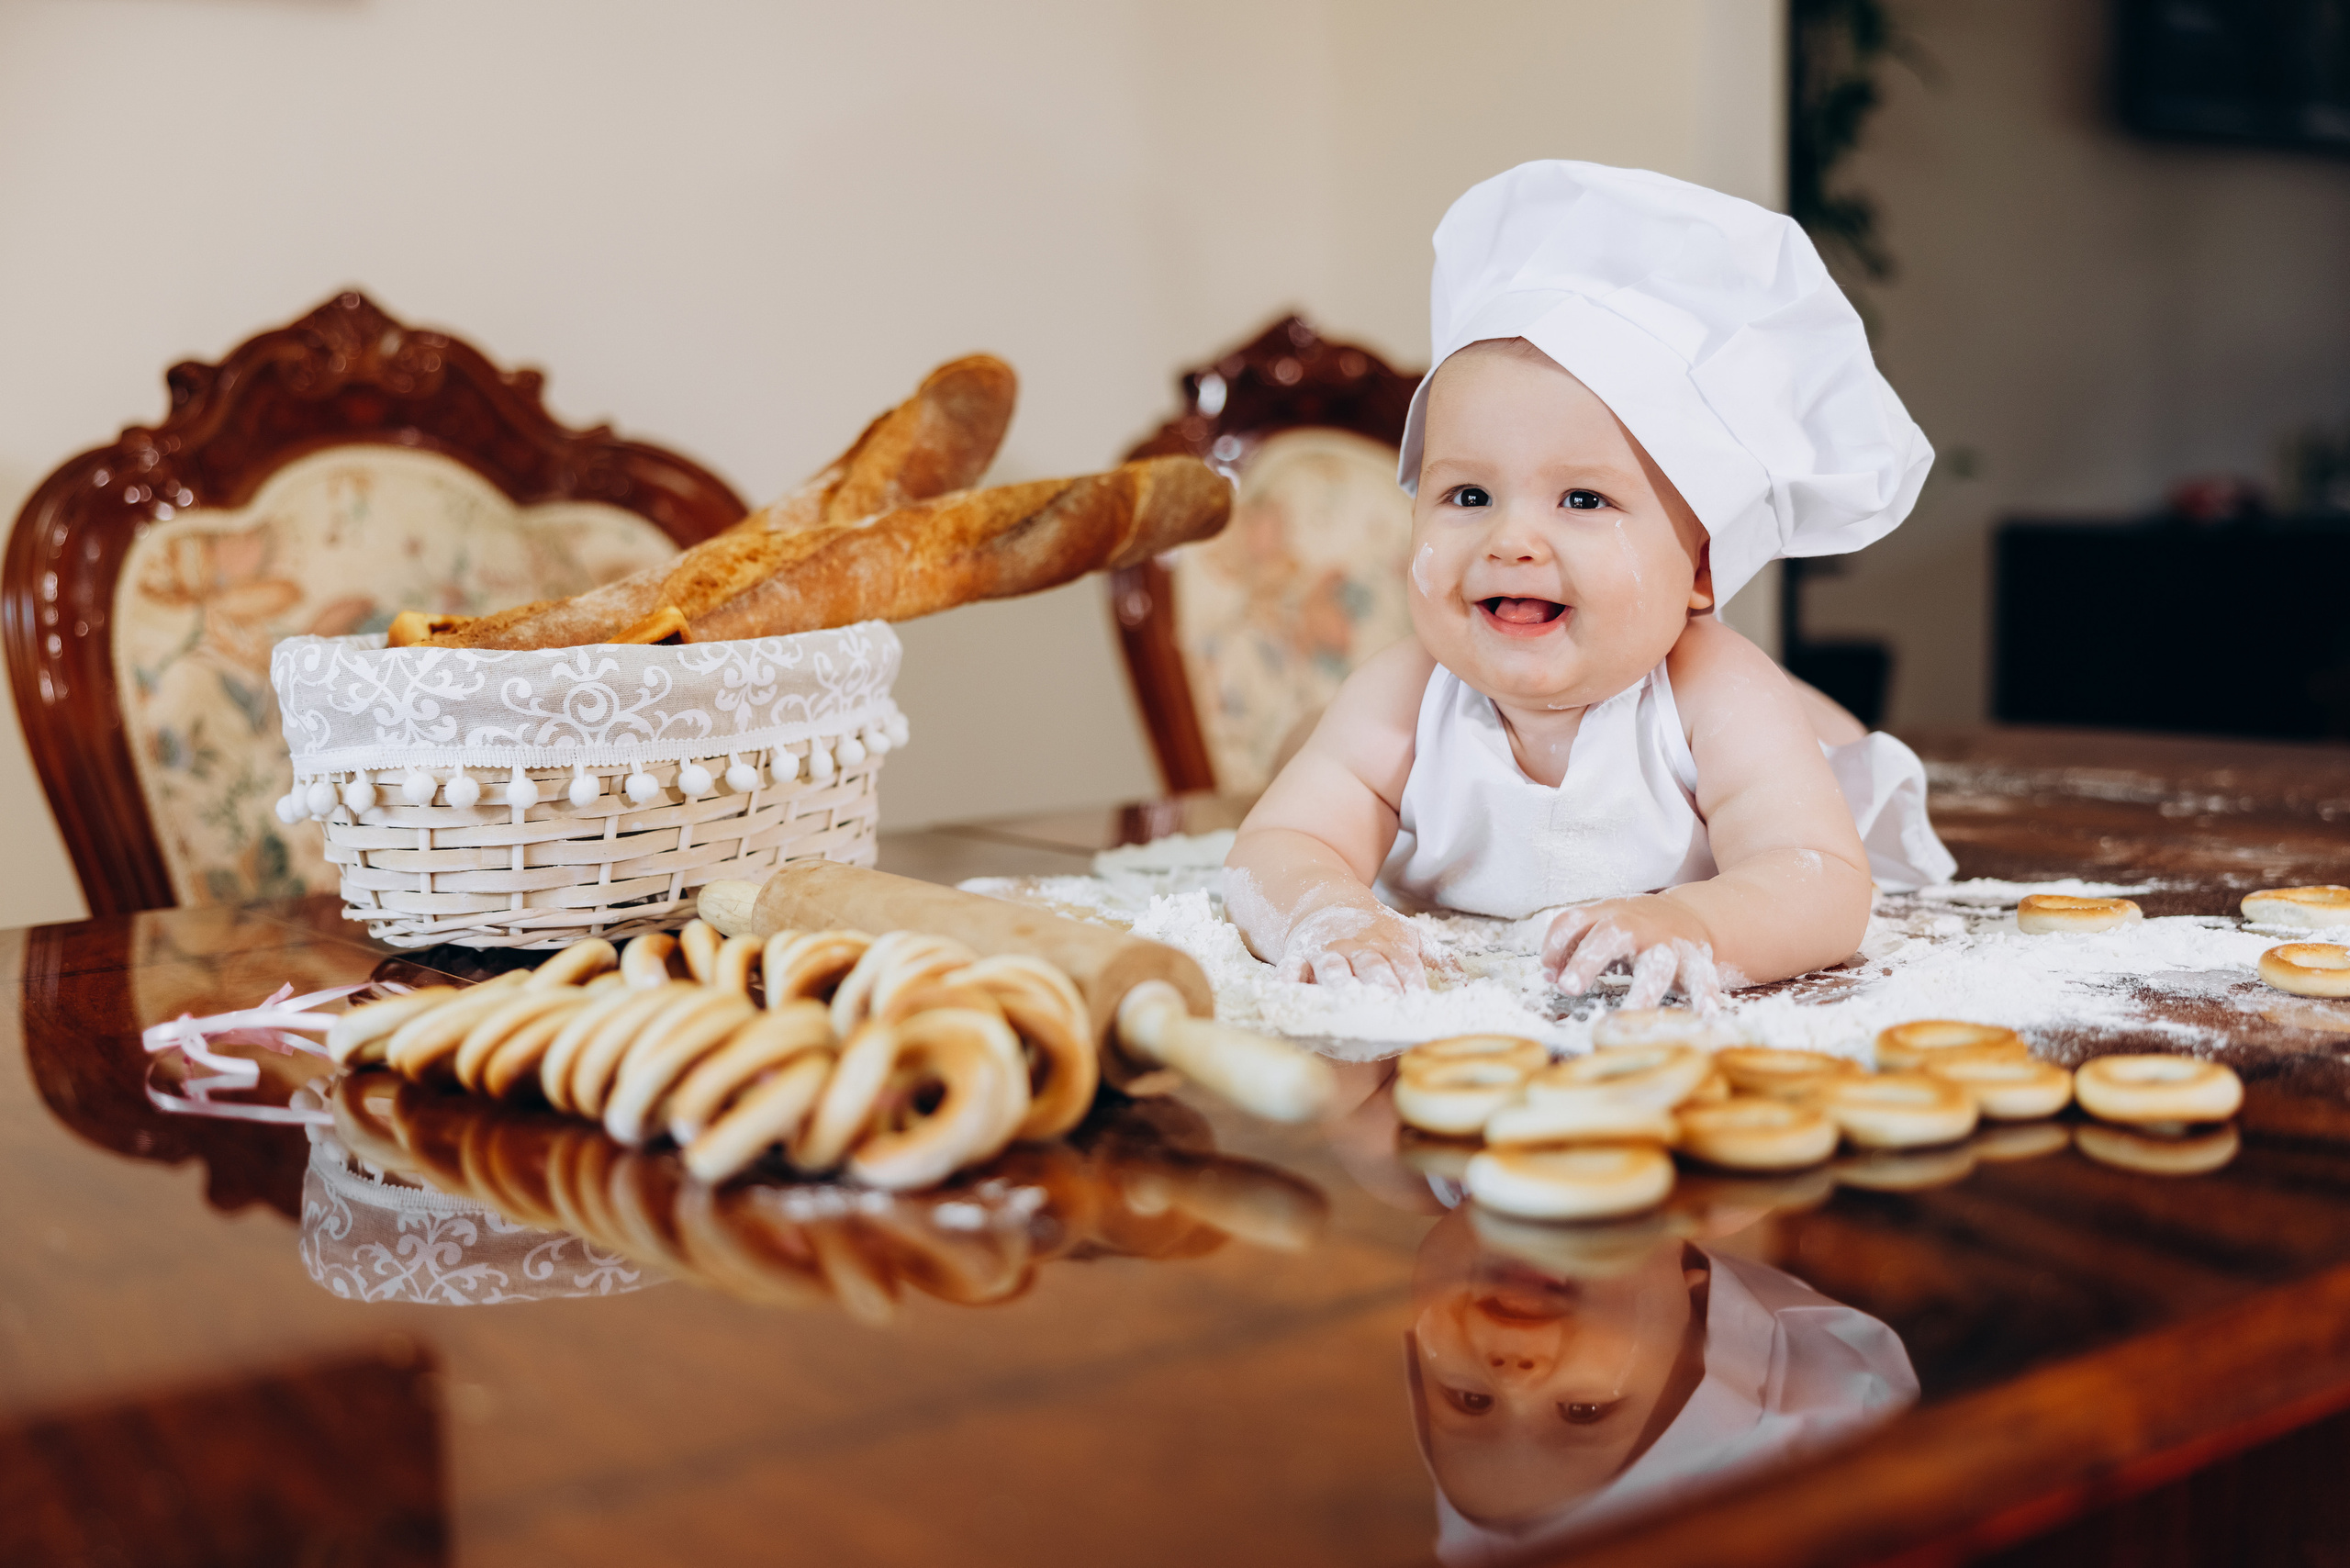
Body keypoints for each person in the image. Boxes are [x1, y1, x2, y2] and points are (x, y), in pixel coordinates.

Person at [1224, 161, 1955, 1009]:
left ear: (1702, 568)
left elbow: (1819, 880)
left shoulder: (1715, 695)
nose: (1510, 540)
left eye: (1582, 499)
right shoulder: (1407, 691)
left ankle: (1822, 725)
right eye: (1469, 495)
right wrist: (1327, 912)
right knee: (1302, 753)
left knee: (1805, 729)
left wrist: (1697, 922)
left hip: (1765, 737)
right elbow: (1278, 845)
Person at [1405, 1204, 1919, 1564]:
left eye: (1471, 1400)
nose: (1512, 1376)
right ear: (1696, 1296)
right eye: (1583, 1411)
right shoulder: (1718, 1164)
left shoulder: (1414, 1161)